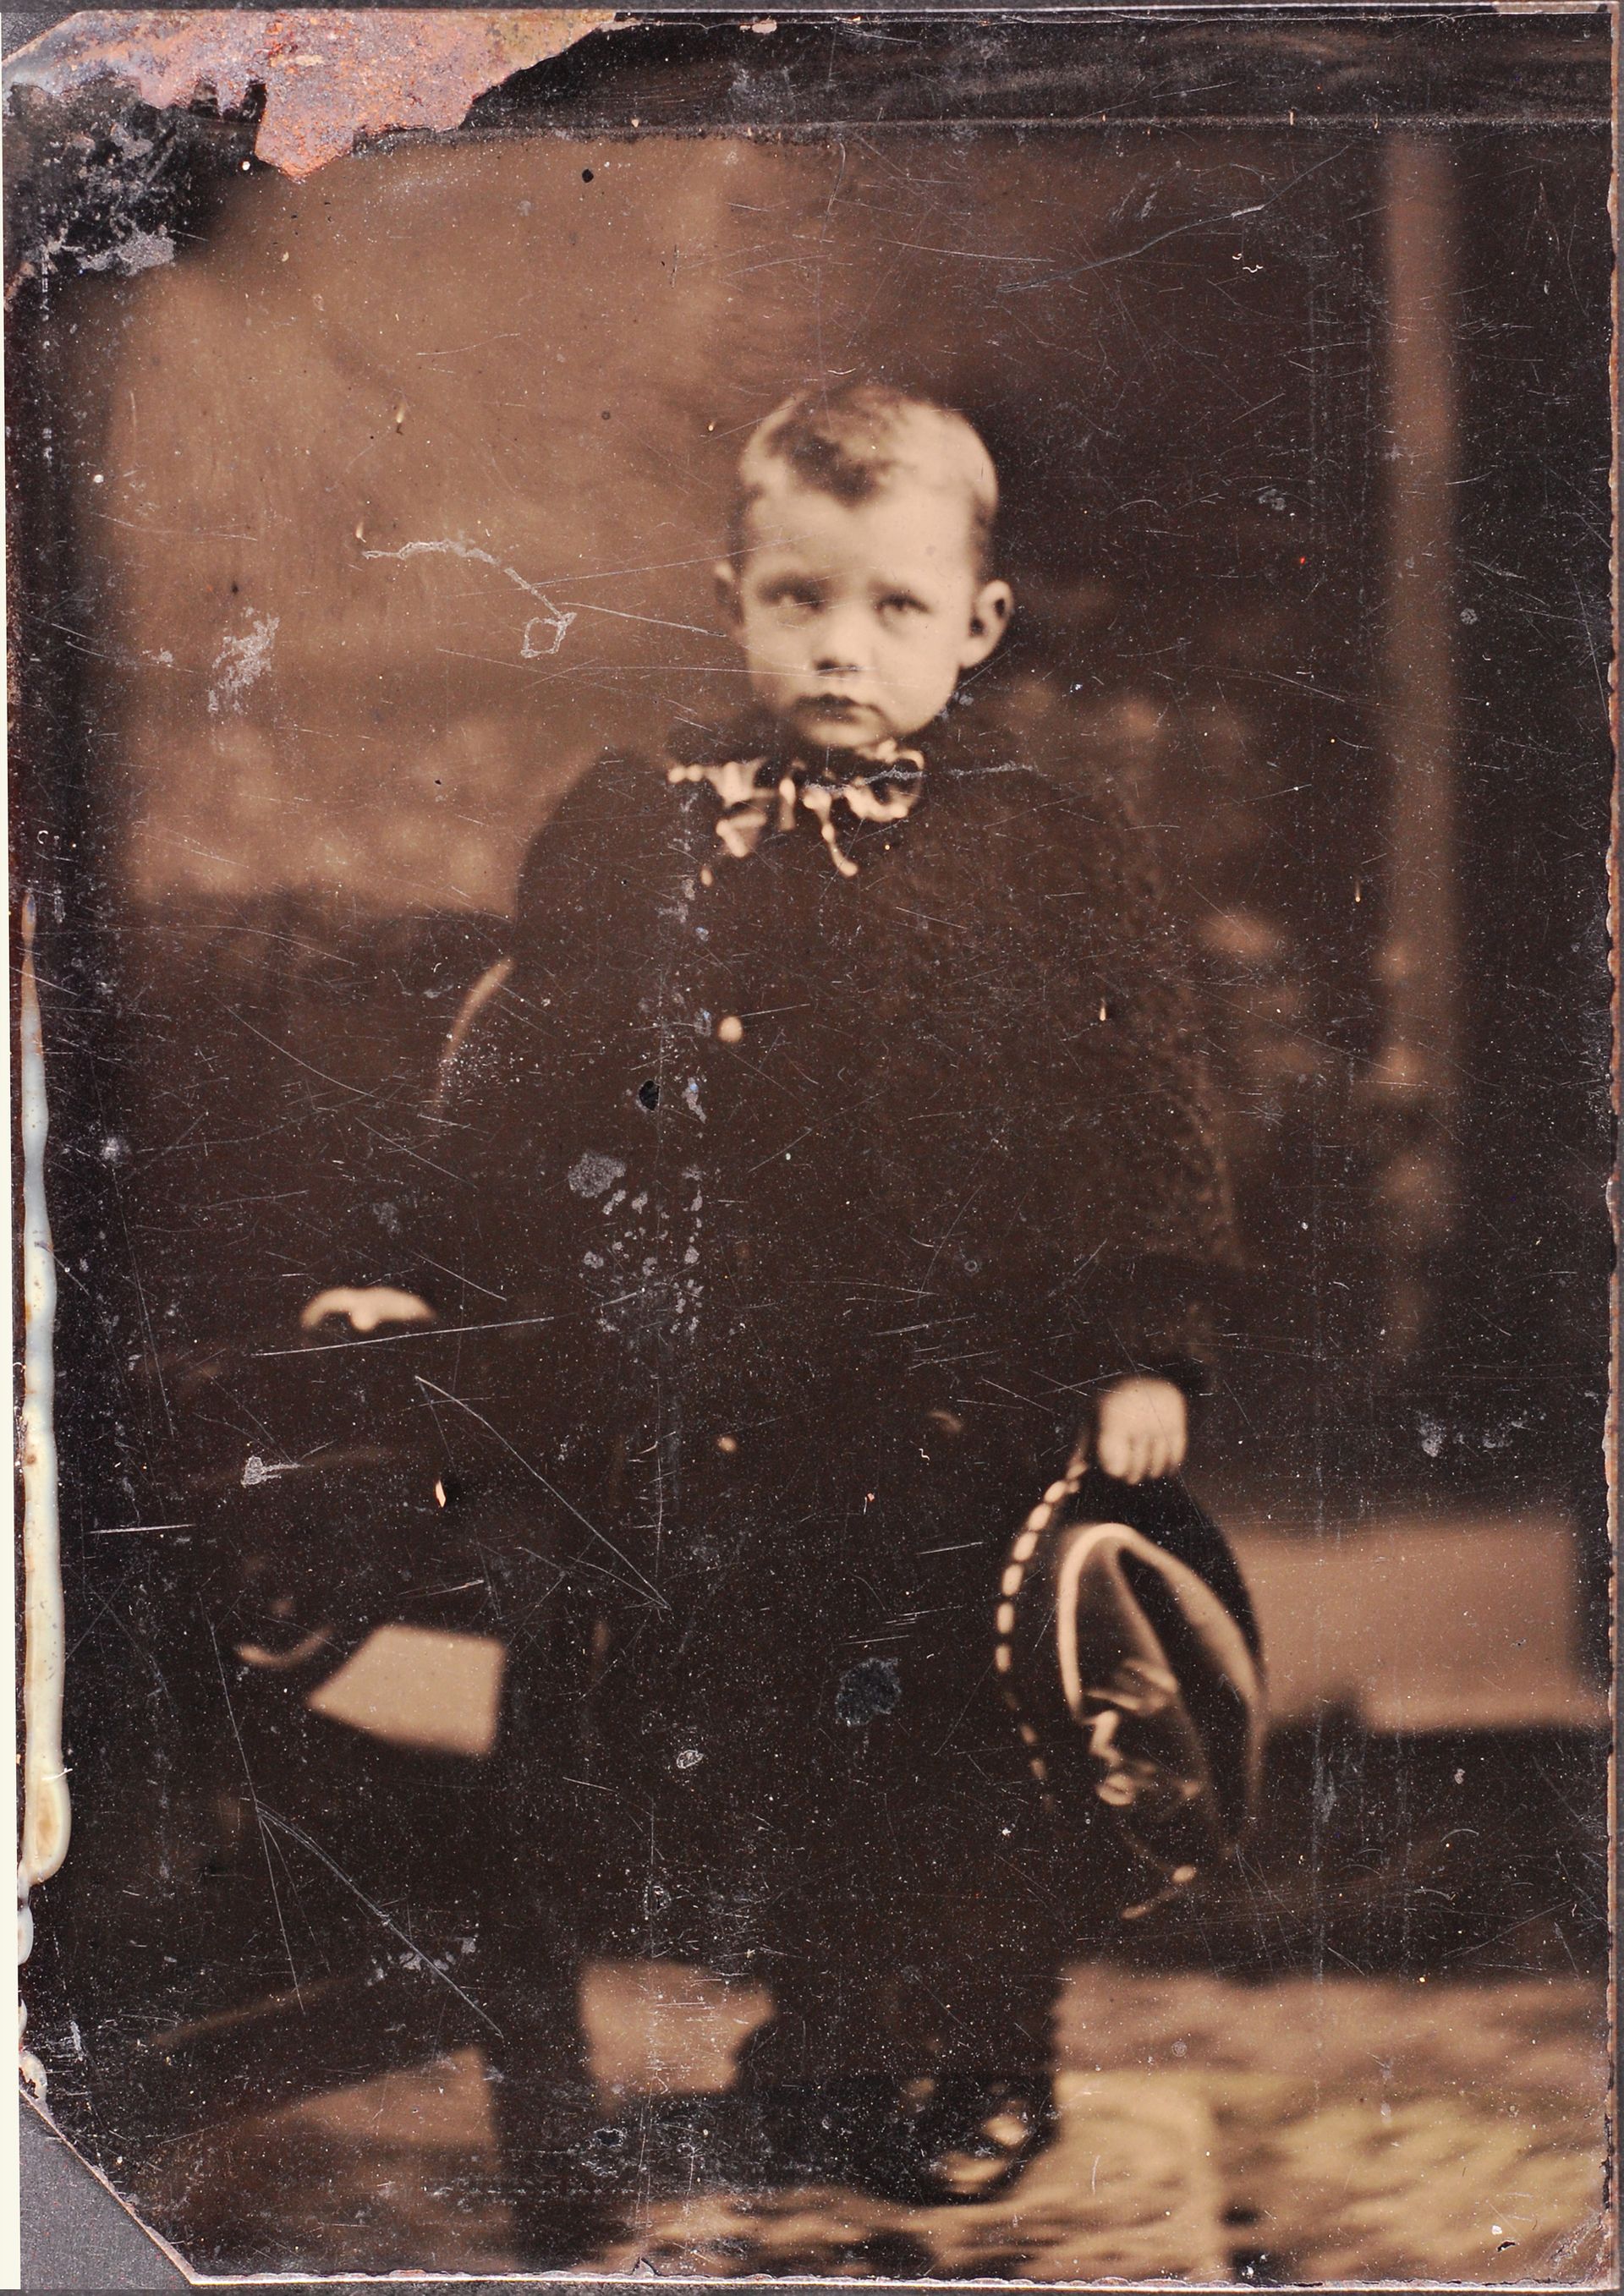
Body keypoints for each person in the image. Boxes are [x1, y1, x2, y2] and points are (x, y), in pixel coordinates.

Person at [316, 383, 1253, 2223]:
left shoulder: (1051, 851)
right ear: (733, 591)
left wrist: (1144, 1340)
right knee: (762, 1723)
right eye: (800, 598)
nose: (841, 645)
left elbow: (1141, 1105)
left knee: (959, 1732)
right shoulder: (636, 822)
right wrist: (414, 1261)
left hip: (959, 1402)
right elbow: (519, 1081)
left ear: (975, 625)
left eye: (894, 607)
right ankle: (823, 2042)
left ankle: (982, 2043)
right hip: (723, 1390)